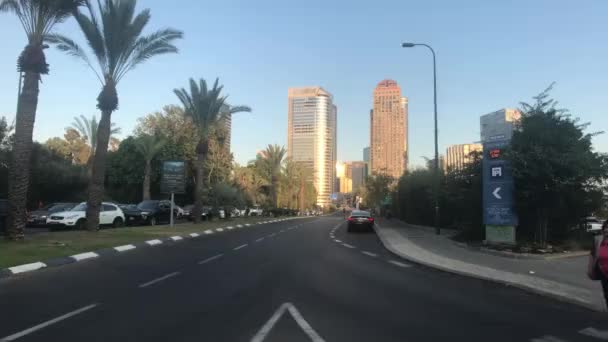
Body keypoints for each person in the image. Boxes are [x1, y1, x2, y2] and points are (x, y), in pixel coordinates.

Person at [589, 220, 608, 308]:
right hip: (604, 274)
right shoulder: (598, 240)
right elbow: (593, 254)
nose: (606, 230)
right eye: (605, 227)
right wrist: (590, 269)